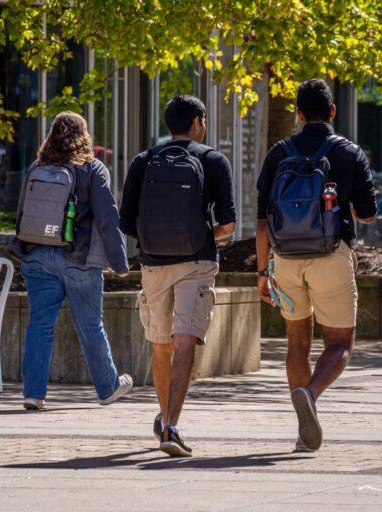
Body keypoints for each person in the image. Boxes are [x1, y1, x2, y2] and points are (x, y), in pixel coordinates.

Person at [256, 79, 378, 453]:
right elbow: (368, 215)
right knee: (340, 343)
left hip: (286, 259)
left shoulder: (279, 153)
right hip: (330, 257)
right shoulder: (348, 153)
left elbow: (261, 221)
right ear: (333, 112)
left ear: (298, 113)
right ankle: (309, 394)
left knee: (297, 342)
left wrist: (263, 272)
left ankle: (302, 428)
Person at [119, 95, 237, 457]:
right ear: (198, 121)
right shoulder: (214, 160)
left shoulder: (144, 161)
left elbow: (125, 221)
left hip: (153, 264)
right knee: (185, 339)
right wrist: (200, 237)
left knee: (160, 343)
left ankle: (165, 419)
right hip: (196, 263)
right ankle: (170, 425)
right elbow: (229, 225)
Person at [8, 111, 133, 411]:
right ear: (84, 135)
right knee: (90, 325)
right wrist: (119, 262)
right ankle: (108, 387)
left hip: (37, 255)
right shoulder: (94, 169)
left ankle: (33, 393)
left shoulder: (37, 167)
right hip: (80, 259)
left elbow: (23, 212)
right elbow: (107, 219)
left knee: (40, 325)